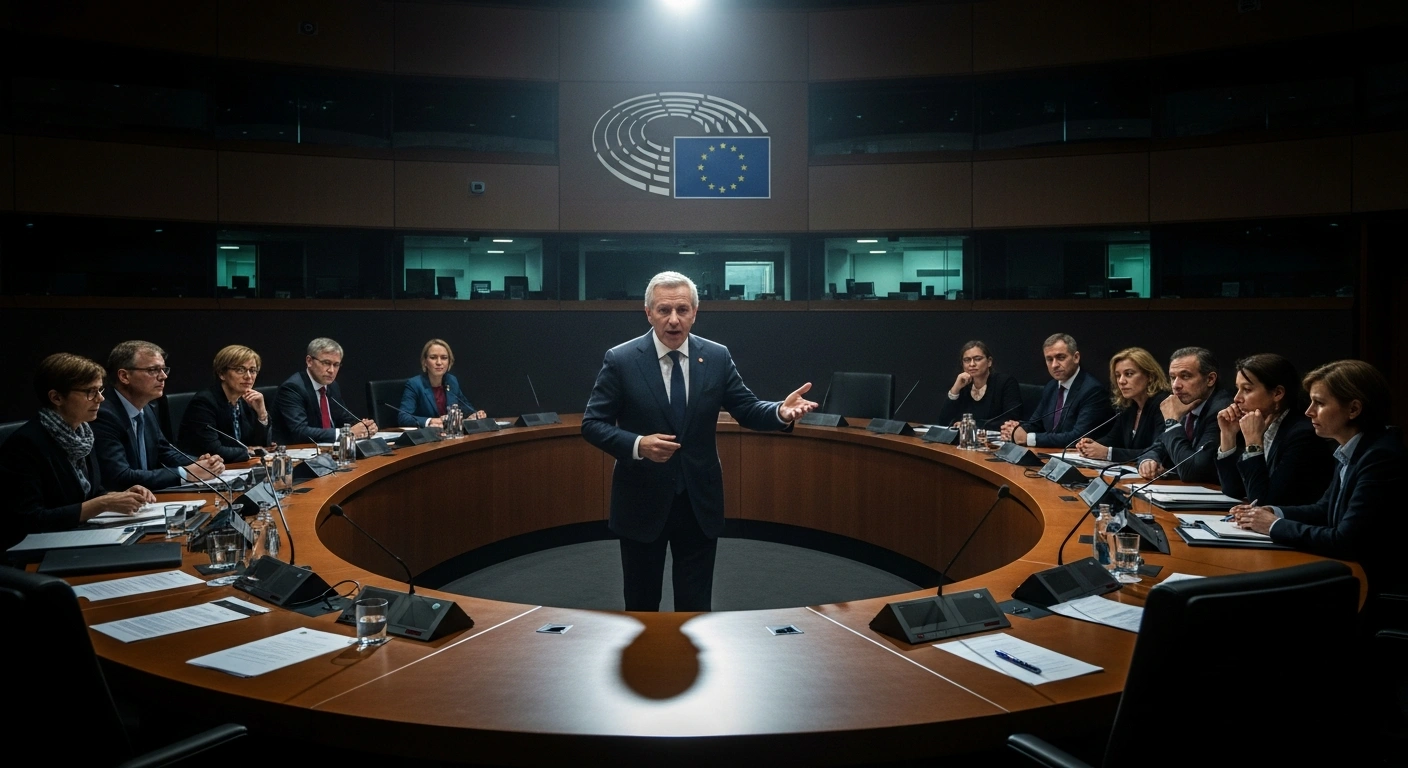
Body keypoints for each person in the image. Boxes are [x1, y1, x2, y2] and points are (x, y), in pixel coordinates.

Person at [582, 271, 816, 612]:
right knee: (641, 603)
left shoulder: (717, 357)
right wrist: (638, 445)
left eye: (683, 310)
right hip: (641, 499)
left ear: (695, 312)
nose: (674, 320)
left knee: (695, 607)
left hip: (698, 501)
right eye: (664, 310)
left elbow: (747, 408)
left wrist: (780, 411)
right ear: (648, 313)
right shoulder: (621, 360)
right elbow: (592, 423)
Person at [1230, 360, 1406, 605]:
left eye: (1320, 403)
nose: (1308, 411)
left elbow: (1345, 540)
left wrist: (1273, 525)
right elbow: (1324, 509)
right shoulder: (1354, 446)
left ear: (1353, 409)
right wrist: (1271, 512)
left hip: (1369, 585)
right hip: (1345, 570)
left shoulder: (1380, 457)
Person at [0, 353, 154, 549]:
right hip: (39, 550)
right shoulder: (25, 445)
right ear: (56, 397)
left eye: (100, 390)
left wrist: (119, 496)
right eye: (90, 392)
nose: (100, 398)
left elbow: (89, 492)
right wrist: (102, 504)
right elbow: (29, 519)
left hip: (80, 537)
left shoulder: (82, 434)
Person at [92, 340, 224, 491]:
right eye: (153, 370)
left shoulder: (147, 408)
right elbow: (120, 476)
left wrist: (199, 463)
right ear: (124, 376)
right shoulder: (104, 414)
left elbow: (164, 450)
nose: (163, 377)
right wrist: (185, 473)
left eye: (163, 369)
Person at [1214, 353, 1334, 506]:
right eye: (1238, 389)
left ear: (1277, 393)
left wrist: (1253, 444)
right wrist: (1228, 435)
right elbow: (1233, 489)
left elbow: (1265, 502)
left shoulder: (1302, 435)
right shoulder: (1258, 423)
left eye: (1247, 390)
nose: (1237, 398)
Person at [1136, 347, 1234, 484]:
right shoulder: (1187, 403)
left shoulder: (1222, 410)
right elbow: (1158, 446)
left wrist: (1171, 422)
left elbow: (1192, 472)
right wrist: (1149, 460)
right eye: (1172, 377)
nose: (1176, 385)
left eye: (1185, 376)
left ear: (1210, 379)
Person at [1000, 333, 1112, 448]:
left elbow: (1078, 437)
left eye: (1061, 357)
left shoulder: (1092, 390)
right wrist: (1015, 429)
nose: (1054, 365)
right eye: (1049, 359)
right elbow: (1034, 424)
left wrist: (1028, 438)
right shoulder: (1051, 386)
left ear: (1076, 357)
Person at [176, 345, 271, 462]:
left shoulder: (245, 401)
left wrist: (262, 414)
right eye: (240, 370)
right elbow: (214, 449)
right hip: (205, 471)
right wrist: (248, 451)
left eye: (253, 370)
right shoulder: (204, 402)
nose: (248, 376)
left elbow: (262, 445)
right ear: (222, 373)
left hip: (238, 467)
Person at [1076, 347, 1171, 463]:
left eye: (1129, 374)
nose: (1121, 381)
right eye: (1118, 375)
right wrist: (1090, 445)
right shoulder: (1129, 406)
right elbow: (1113, 439)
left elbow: (1158, 451)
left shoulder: (1163, 405)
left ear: (1150, 376)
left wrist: (1108, 453)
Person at [274, 337, 377, 444]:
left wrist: (364, 426)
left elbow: (344, 417)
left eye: (336, 365)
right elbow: (300, 431)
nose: (331, 370)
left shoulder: (332, 386)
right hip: (298, 451)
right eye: (326, 363)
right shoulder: (293, 388)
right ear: (309, 361)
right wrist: (346, 433)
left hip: (330, 449)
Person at [398, 339, 485, 428]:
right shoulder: (415, 384)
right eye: (433, 357)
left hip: (451, 434)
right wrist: (430, 421)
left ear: (449, 362)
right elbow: (403, 417)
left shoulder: (451, 381)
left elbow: (465, 407)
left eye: (444, 358)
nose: (439, 362)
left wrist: (475, 414)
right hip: (428, 437)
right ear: (425, 362)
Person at [937, 340, 1022, 427]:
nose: (972, 364)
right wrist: (955, 389)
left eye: (977, 359)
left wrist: (971, 425)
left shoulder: (1005, 383)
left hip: (994, 439)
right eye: (967, 360)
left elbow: (1011, 419)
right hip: (965, 439)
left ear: (989, 362)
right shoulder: (963, 386)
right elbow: (943, 422)